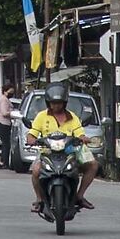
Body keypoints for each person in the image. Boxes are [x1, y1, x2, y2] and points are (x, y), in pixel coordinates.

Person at [28, 84, 96, 214]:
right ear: (49, 103)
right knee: (36, 170)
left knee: (93, 164)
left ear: (64, 103)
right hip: (47, 152)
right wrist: (31, 139)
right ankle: (39, 200)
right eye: (53, 103)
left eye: (59, 103)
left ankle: (79, 196)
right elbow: (32, 134)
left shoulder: (73, 117)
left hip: (70, 151)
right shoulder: (41, 116)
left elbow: (79, 133)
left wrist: (83, 138)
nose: (56, 106)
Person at [0, 87, 19, 169]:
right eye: (10, 92)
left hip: (2, 123)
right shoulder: (4, 100)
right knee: (6, 144)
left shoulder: (4, 99)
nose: (11, 94)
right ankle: (4, 162)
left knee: (6, 144)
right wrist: (13, 113)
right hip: (2, 123)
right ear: (5, 91)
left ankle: (2, 162)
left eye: (12, 92)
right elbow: (4, 113)